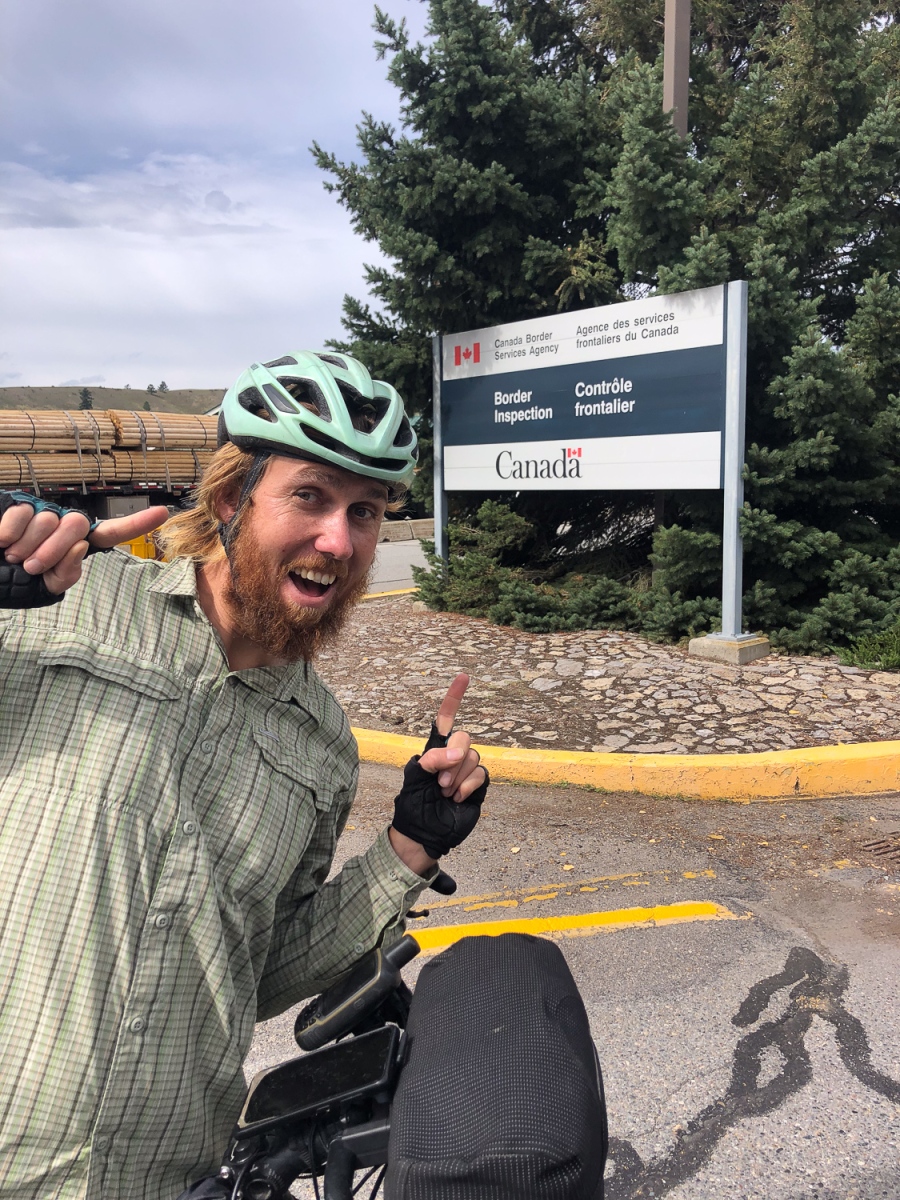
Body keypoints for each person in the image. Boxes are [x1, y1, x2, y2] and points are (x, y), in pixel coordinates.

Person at [0, 352, 488, 1200]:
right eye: (311, 496)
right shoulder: (62, 607)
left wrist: (409, 846)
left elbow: (258, 972)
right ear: (231, 499)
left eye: (365, 511)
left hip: (161, 1179)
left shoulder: (323, 746)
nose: (338, 541)